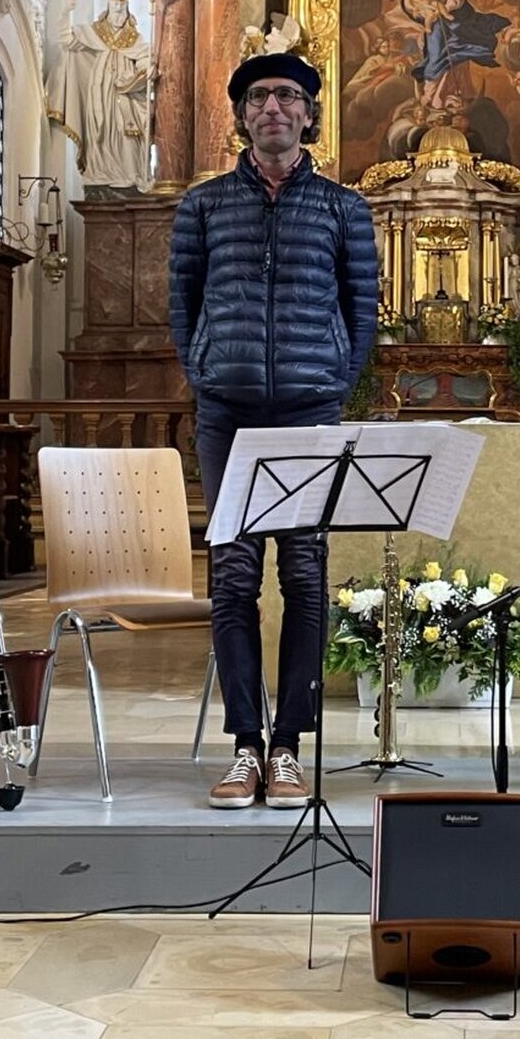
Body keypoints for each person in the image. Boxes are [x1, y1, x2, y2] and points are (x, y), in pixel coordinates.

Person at [170, 50, 378, 810]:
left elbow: (363, 310)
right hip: (226, 411)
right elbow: (181, 300)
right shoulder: (201, 206)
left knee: (304, 575)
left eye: (288, 96)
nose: (274, 109)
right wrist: (205, 371)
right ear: (241, 115)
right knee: (231, 578)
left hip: (306, 408)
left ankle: (289, 745)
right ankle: (244, 745)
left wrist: (332, 381)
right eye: (259, 97)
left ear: (309, 112)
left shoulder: (344, 209)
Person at [45, 0, 152, 190]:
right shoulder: (93, 33)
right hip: (99, 97)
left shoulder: (135, 39)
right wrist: (65, 10)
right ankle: (100, 172)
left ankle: (131, 175)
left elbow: (145, 60)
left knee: (129, 139)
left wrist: (146, 70)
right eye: (115, 5)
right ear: (108, 5)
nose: (118, 11)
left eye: (122, 6)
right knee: (99, 137)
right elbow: (66, 39)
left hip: (127, 97)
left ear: (127, 7)